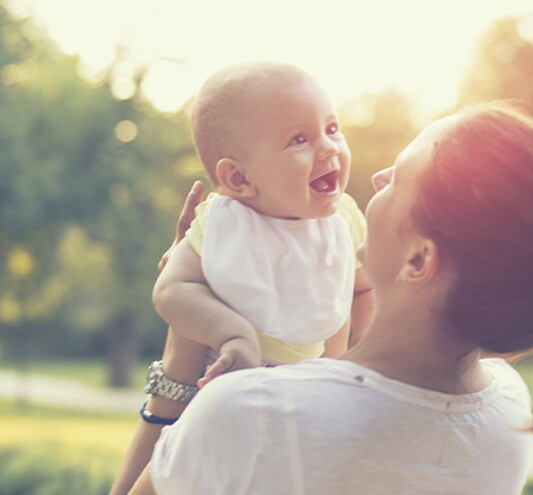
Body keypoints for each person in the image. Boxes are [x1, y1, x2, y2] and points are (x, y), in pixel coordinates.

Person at [132, 101, 533, 495]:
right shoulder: (505, 408)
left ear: (418, 260)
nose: (377, 177)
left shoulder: (250, 412)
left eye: (398, 179)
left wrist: (185, 340)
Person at [110, 62, 374, 495]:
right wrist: (232, 333)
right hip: (213, 393)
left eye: (331, 127)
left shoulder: (344, 222)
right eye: (299, 139)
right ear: (238, 177)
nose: (329, 149)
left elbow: (362, 290)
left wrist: (347, 365)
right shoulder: (221, 224)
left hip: (304, 406)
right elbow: (172, 290)